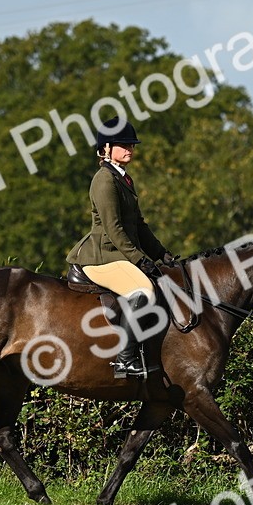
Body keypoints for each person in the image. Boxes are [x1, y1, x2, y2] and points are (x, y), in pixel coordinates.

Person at [66, 118, 178, 378]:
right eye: (123, 144)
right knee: (143, 290)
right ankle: (124, 360)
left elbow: (138, 225)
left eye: (131, 144)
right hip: (101, 256)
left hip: (118, 253)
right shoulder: (104, 180)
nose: (130, 149)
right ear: (106, 148)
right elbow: (115, 229)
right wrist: (140, 260)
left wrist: (162, 253)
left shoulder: (124, 179)